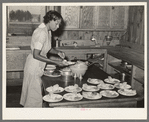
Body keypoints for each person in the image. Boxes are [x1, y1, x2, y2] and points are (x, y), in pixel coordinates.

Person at [20, 10, 66, 107]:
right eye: (56, 24)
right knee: (34, 99)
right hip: (34, 66)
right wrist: (55, 62)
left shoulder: (47, 31)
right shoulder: (42, 33)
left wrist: (58, 52)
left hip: (38, 66)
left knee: (34, 96)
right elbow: (36, 54)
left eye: (59, 25)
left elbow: (47, 49)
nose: (57, 27)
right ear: (50, 20)